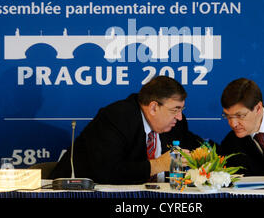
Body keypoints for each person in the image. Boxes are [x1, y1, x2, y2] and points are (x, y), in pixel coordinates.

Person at [49, 76, 204, 184]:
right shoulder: (116, 118)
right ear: (154, 107)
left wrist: (209, 156)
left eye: (182, 109)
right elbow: (108, 172)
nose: (180, 117)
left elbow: (200, 147)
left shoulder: (175, 124)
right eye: (175, 110)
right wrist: (158, 165)